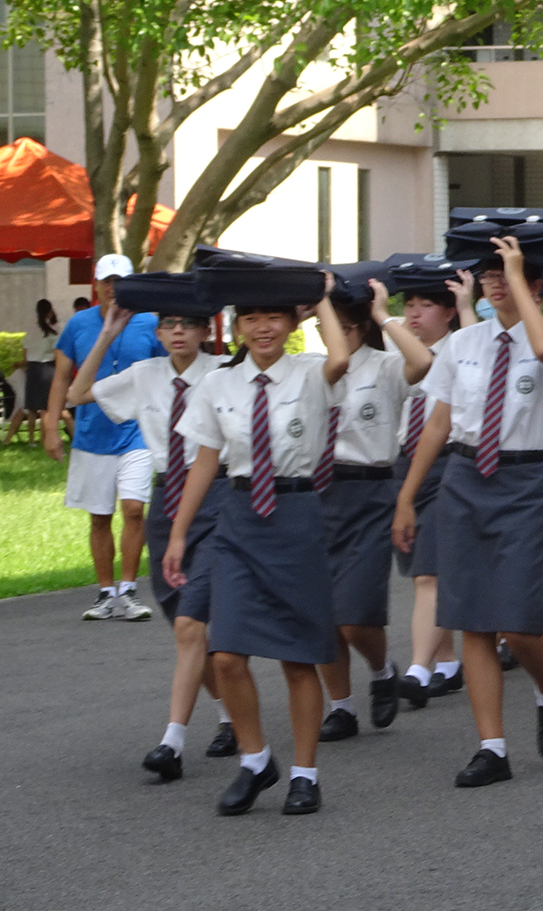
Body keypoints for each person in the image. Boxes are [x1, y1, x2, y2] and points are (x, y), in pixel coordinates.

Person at [164, 278, 352, 815]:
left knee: (298, 659)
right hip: (240, 519)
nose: (263, 327)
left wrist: (318, 298)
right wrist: (179, 532)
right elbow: (205, 461)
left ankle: (305, 773)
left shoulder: (310, 371)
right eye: (251, 318)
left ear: (291, 323)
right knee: (225, 657)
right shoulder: (219, 385)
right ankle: (255, 760)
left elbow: (340, 355)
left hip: (297, 515)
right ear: (237, 326)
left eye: (273, 317)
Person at [392, 236, 543, 789]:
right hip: (465, 478)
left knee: (517, 623)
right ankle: (491, 747)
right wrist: (407, 496)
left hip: (522, 480)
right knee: (471, 619)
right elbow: (439, 423)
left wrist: (520, 277)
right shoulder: (463, 344)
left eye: (507, 274)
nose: (496, 283)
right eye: (489, 275)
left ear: (534, 284)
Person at [67, 291, 228, 780]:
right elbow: (78, 395)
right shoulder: (145, 376)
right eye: (169, 324)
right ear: (157, 334)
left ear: (206, 331)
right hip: (167, 503)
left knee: (190, 627)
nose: (178, 331)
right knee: (185, 625)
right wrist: (109, 335)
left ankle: (171, 742)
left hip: (218, 501)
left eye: (189, 323)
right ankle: (231, 717)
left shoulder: (223, 375)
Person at [315, 281, 435, 743]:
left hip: (368, 493)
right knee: (323, 614)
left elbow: (424, 363)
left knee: (355, 615)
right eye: (328, 325)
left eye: (345, 326)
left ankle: (382, 669)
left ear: (361, 327)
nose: (336, 335)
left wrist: (384, 314)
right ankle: (340, 706)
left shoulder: (385, 366)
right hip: (317, 493)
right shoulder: (311, 368)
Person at [51, 254, 167, 621]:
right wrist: (51, 425)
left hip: (138, 432)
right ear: (97, 283)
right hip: (91, 434)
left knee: (134, 509)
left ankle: (128, 591)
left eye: (121, 281)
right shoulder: (79, 324)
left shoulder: (150, 323)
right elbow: (60, 378)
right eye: (107, 280)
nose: (113, 287)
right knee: (99, 516)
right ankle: (105, 594)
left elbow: (169, 371)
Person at [392, 270, 472, 708]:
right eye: (409, 306)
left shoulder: (464, 349)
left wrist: (466, 302)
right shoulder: (398, 351)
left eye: (424, 305)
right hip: (405, 465)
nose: (414, 314)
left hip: (449, 462)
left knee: (430, 572)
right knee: (421, 570)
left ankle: (418, 669)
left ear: (447, 311)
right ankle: (446, 664)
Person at [8, 298, 59, 444]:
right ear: (50, 311)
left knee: (31, 408)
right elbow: (57, 354)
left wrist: (19, 365)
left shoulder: (30, 329)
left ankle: (31, 440)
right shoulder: (53, 331)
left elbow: (25, 356)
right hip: (48, 368)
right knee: (45, 408)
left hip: (33, 369)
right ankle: (44, 438)